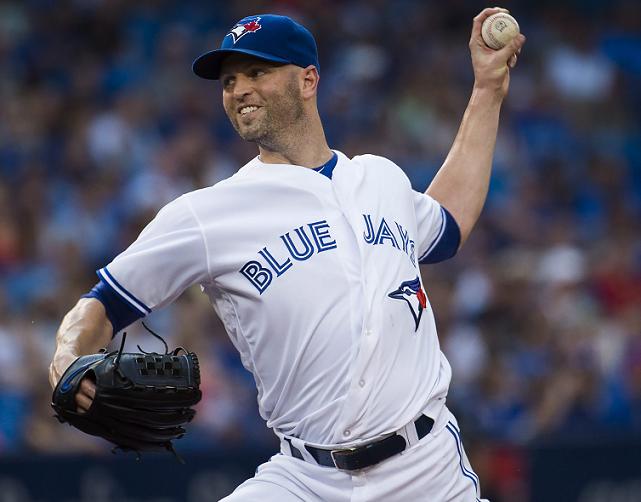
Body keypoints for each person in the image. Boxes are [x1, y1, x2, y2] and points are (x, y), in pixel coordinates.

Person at [49, 8, 525, 501]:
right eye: (229, 80)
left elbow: (448, 224)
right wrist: (66, 354)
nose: (238, 90)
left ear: (308, 79)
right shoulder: (208, 213)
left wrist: (488, 90)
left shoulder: (380, 177)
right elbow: (103, 302)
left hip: (428, 472)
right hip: (306, 479)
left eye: (257, 72)